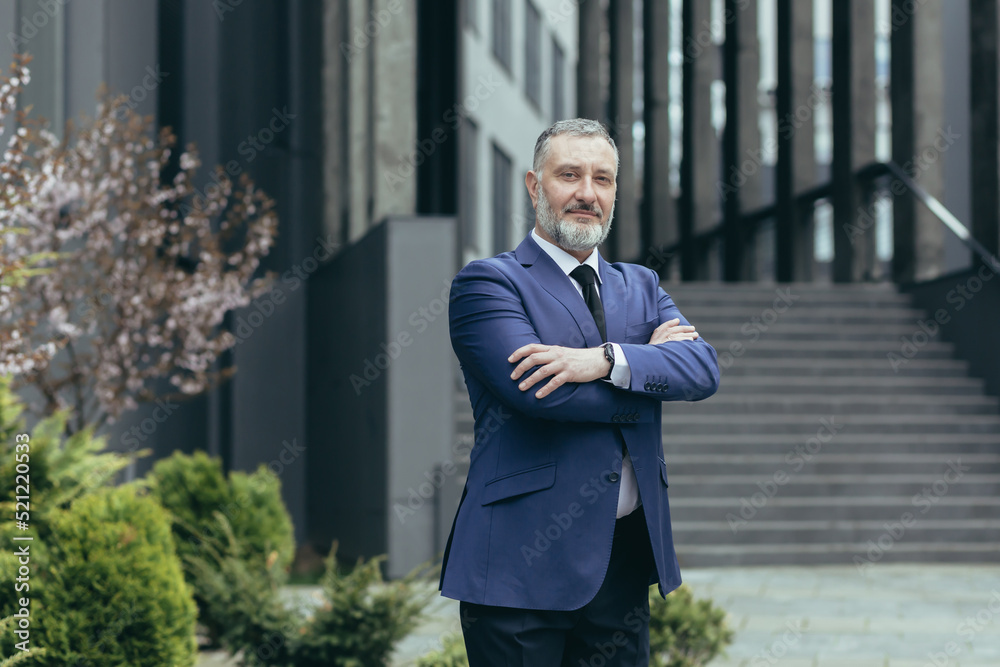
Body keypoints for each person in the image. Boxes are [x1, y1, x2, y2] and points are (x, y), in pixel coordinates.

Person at [439, 118, 720, 666]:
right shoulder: (490, 283)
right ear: (533, 185)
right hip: (518, 569)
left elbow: (702, 370)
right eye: (569, 175)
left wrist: (604, 360)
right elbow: (540, 393)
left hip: (622, 565)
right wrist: (647, 372)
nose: (587, 194)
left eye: (603, 179)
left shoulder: (641, 285)